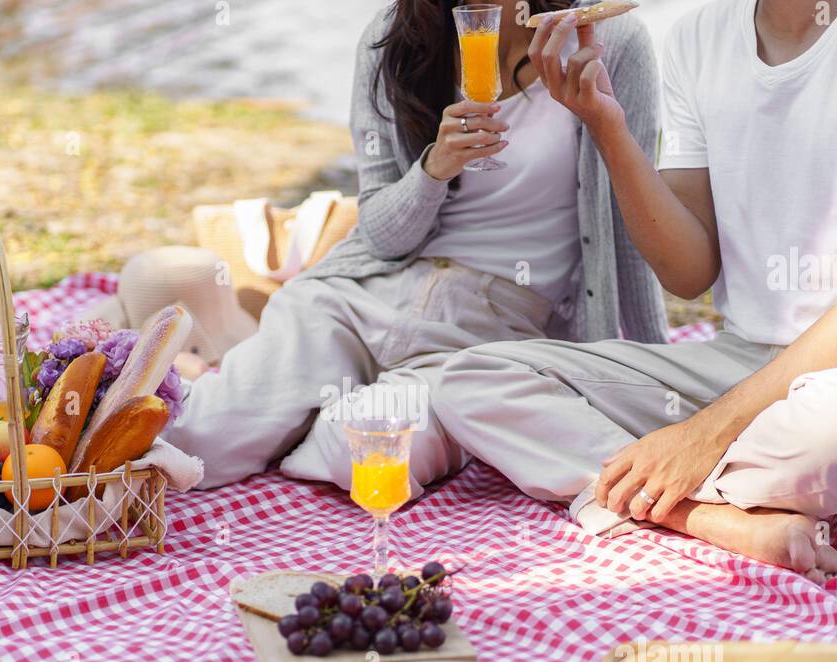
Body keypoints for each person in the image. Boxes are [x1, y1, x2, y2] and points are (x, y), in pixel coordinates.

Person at [435, 0, 837, 584]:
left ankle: (633, 482)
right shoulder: (698, 36)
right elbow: (688, 272)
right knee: (471, 379)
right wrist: (606, 123)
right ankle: (703, 516)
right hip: (740, 363)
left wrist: (702, 435)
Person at [164, 0, 668, 494]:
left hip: (485, 337)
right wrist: (433, 170)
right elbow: (382, 238)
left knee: (363, 455)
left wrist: (655, 374)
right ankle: (261, 404)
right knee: (198, 441)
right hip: (362, 298)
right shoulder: (395, 39)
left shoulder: (605, 41)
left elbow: (635, 223)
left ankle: (296, 413)